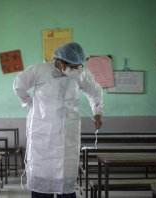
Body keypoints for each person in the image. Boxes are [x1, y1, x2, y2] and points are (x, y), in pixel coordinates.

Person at [13, 42, 103, 198]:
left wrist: (98, 112)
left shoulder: (80, 73)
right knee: (42, 179)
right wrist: (30, 104)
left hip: (68, 132)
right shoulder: (39, 70)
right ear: (60, 61)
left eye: (77, 66)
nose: (75, 70)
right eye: (72, 67)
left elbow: (95, 91)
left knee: (66, 180)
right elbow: (18, 85)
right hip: (42, 132)